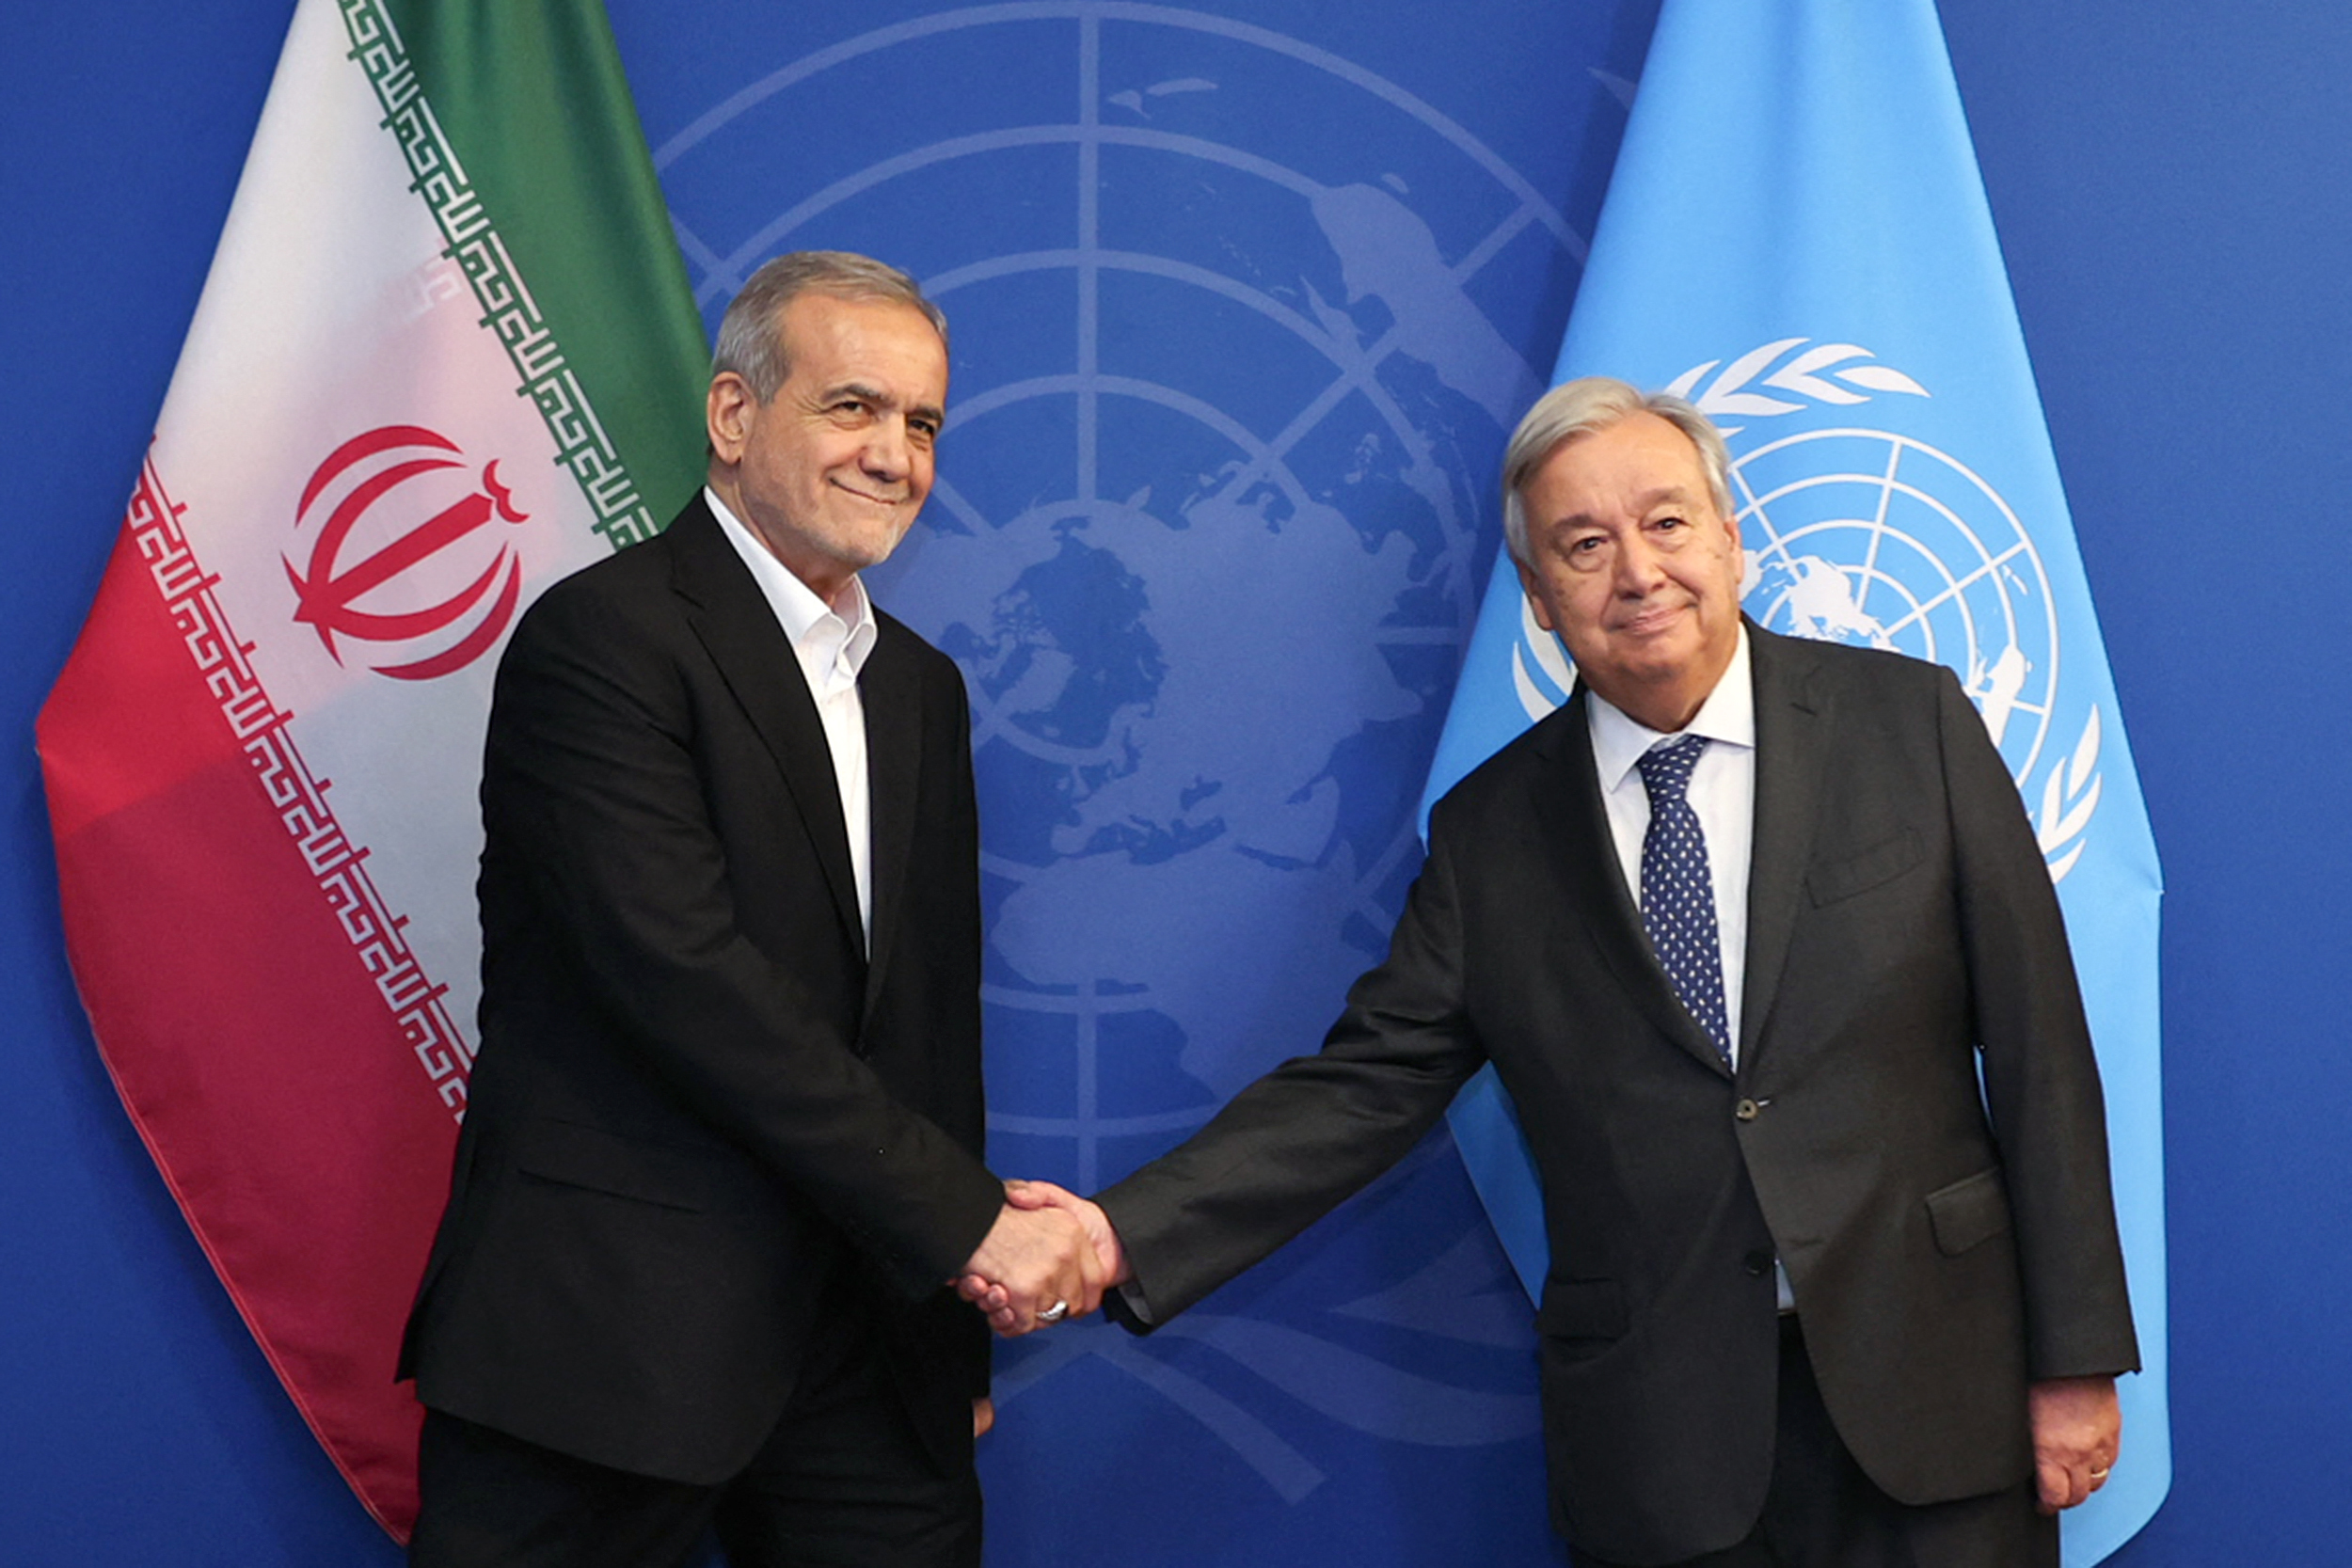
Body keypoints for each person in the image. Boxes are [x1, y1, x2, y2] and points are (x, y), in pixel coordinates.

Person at [982, 379, 2138, 1567]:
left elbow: (2041, 1045)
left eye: (1667, 522)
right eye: (1583, 545)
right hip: (1665, 1444)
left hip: (1938, 1398)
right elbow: (1361, 1089)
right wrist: (1118, 1232)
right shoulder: (1490, 834)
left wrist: (2074, 1356)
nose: (1636, 571)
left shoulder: (1913, 724)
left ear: (1732, 542)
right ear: (1538, 599)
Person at [399, 251, 1103, 1568]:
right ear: (735, 417)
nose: (894, 454)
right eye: (853, 407)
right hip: (608, 1340)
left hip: (865, 1352)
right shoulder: (602, 639)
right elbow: (684, 977)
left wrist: (945, 1321)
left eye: (922, 422)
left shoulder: (922, 692)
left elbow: (926, 1026)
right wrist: (970, 1221)